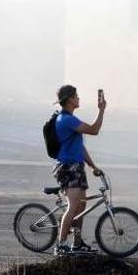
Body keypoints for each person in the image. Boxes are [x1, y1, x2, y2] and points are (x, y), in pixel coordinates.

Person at [52, 85, 106, 256]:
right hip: (68, 167)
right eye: (76, 96)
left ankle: (77, 243)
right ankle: (60, 245)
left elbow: (80, 148)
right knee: (73, 205)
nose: (79, 99)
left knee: (81, 206)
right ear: (69, 100)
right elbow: (94, 130)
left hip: (77, 166)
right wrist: (101, 110)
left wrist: (93, 167)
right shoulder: (66, 120)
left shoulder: (71, 120)